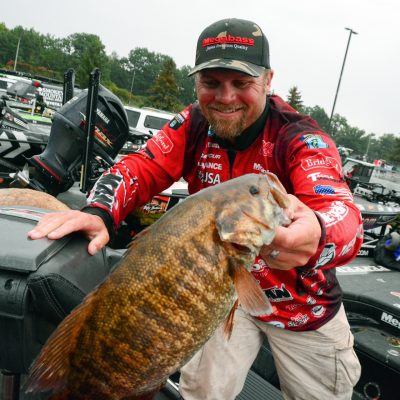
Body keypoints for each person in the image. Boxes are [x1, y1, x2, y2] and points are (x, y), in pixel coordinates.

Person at [28, 18, 363, 400]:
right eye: (211, 83)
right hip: (219, 296)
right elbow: (141, 165)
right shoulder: (193, 124)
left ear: (268, 81)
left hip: (305, 310)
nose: (225, 97)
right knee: (200, 392)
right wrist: (100, 210)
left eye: (241, 83)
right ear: (196, 83)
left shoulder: (299, 137)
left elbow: (343, 214)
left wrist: (318, 233)